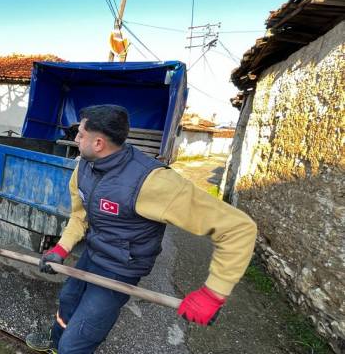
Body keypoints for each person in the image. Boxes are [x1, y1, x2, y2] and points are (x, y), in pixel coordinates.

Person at [25, 104, 257, 353]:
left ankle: (68, 347)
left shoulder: (152, 182)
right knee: (68, 300)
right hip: (93, 254)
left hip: (120, 268)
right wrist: (61, 248)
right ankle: (56, 341)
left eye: (81, 134)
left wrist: (213, 294)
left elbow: (238, 229)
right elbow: (80, 216)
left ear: (99, 143)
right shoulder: (84, 167)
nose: (76, 138)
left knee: (79, 339)